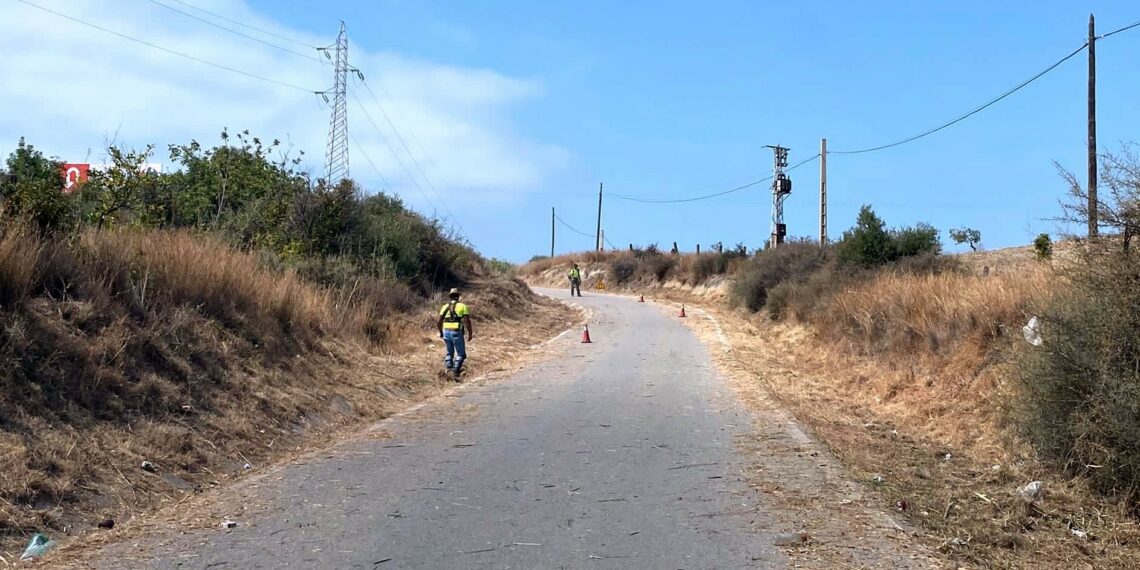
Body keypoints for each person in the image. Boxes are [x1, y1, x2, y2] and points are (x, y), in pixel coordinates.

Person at [437, 288, 474, 379]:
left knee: (449, 352)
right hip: (456, 331)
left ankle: (448, 369)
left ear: (450, 297)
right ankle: (455, 371)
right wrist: (470, 333)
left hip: (446, 331)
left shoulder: (444, 307)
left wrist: (441, 332)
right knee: (461, 354)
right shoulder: (462, 306)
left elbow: (439, 322)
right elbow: (467, 322)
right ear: (458, 297)